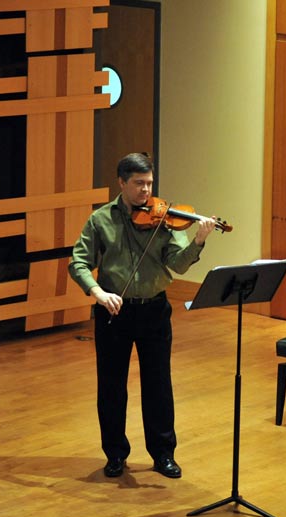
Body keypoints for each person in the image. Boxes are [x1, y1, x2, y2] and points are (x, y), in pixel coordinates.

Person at [68, 152, 217, 479]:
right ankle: (115, 454)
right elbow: (77, 263)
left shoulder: (164, 217)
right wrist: (98, 292)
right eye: (138, 184)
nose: (146, 191)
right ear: (121, 183)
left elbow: (177, 264)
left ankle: (163, 454)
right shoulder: (100, 220)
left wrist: (199, 240)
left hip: (154, 309)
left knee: (158, 384)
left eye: (149, 183)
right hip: (113, 311)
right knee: (111, 386)